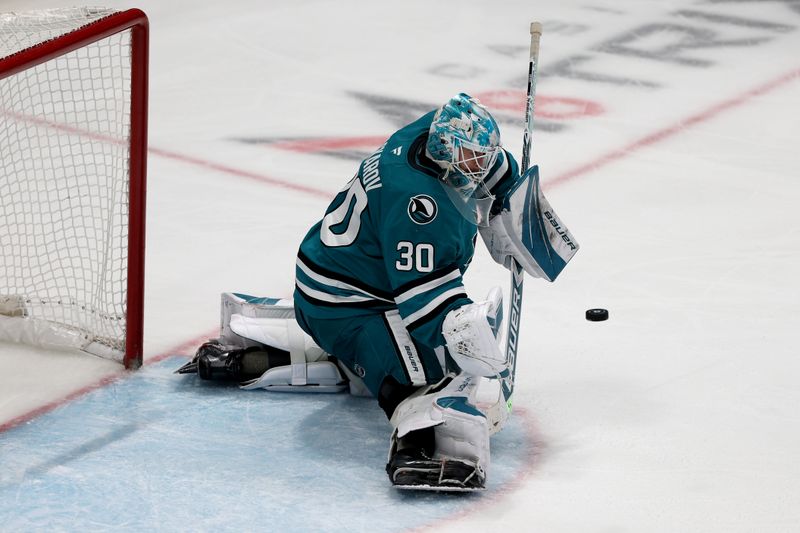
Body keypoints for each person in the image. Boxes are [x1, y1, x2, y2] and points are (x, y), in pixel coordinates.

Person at [178, 93, 577, 491]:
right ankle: (414, 448)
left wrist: (512, 205)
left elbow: (483, 165)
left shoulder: (432, 134)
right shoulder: (418, 205)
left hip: (354, 281)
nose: (481, 165)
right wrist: (467, 330)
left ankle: (341, 357)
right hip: (344, 304)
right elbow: (424, 307)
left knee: (437, 356)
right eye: (473, 158)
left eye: (483, 156)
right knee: (432, 372)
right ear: (446, 153)